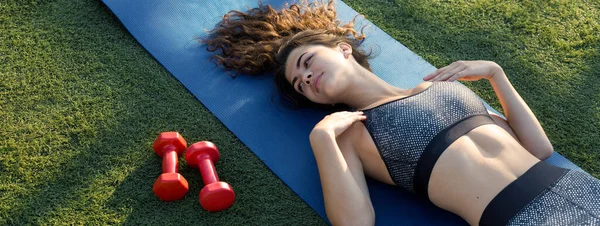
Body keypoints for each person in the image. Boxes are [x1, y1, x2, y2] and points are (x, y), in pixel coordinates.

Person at [201, 1, 600, 225]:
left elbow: (539, 150)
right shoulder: (351, 135)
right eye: (300, 85)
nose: (306, 78)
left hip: (580, 189)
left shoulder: (440, 85)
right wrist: (322, 142)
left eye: (306, 63)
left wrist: (497, 75)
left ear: (342, 48)